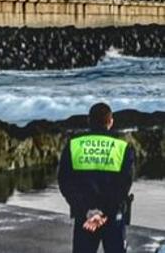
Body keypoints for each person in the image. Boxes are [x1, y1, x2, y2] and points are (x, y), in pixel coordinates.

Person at [58, 102, 135, 253]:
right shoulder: (122, 147)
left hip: (85, 216)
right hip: (112, 217)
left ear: (89, 120)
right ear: (110, 121)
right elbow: (124, 184)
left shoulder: (74, 145)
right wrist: (104, 213)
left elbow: (64, 181)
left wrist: (87, 210)